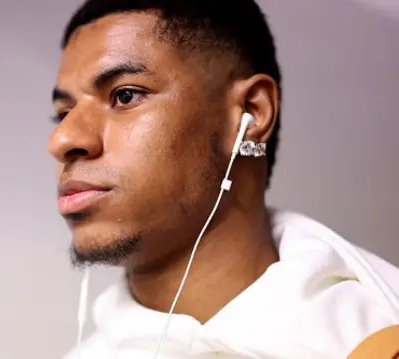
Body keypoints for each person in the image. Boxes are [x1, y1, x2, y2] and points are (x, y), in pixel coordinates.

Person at [47, 0, 399, 358]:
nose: (62, 139)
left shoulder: (376, 339)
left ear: (250, 114)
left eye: (125, 95)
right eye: (63, 113)